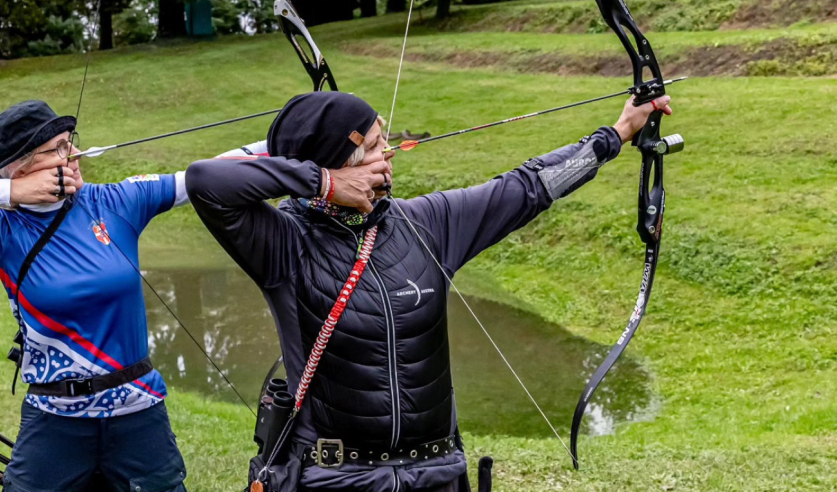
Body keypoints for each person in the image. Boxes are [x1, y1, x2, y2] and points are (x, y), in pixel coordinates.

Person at [185, 91, 673, 492]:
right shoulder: (283, 243)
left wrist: (617, 134)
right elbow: (206, 180)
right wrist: (324, 182)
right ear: (340, 163)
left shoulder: (427, 224)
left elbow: (528, 187)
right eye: (374, 147)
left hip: (437, 472)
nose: (389, 156)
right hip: (336, 477)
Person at [0, 99, 266, 492]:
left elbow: (204, 175)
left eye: (72, 142)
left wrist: (298, 138)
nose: (75, 154)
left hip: (138, 411)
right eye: (60, 149)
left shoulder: (115, 201)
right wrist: (9, 191)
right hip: (54, 419)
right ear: (21, 166)